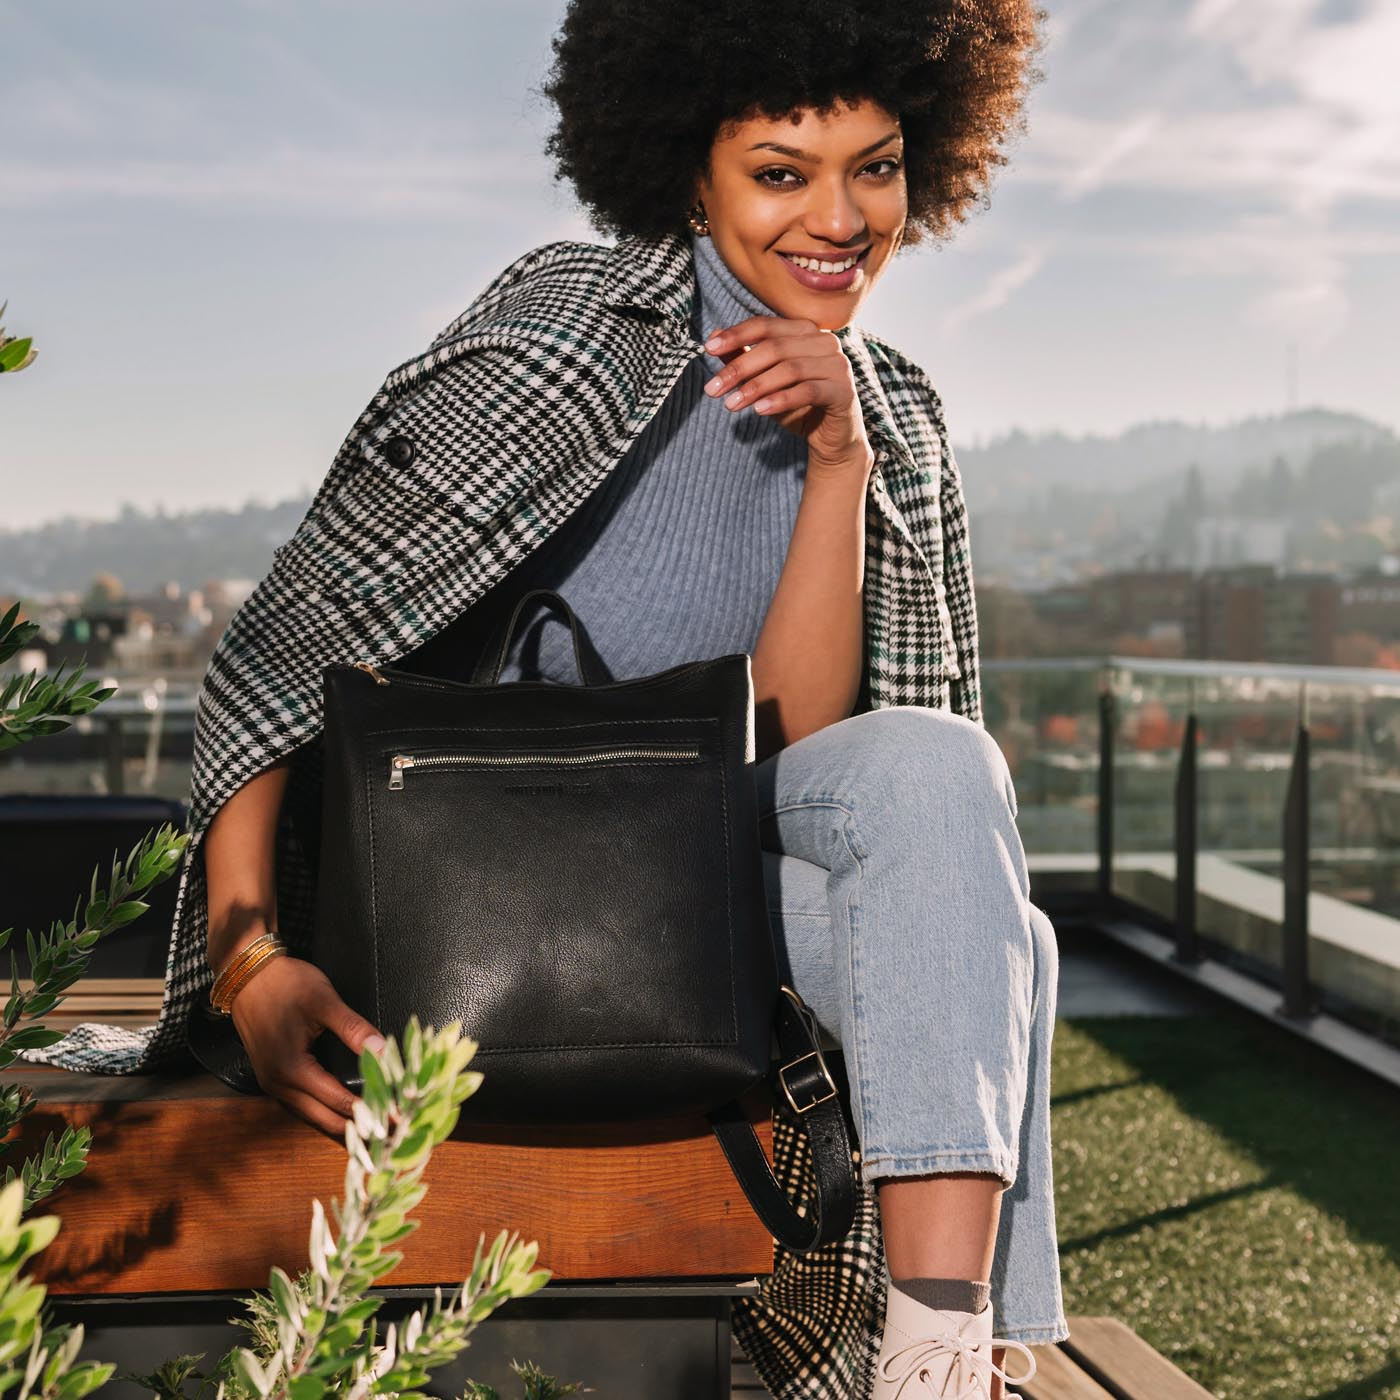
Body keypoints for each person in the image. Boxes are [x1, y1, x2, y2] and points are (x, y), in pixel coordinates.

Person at [20, 3, 1060, 1396]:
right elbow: (284, 646)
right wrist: (256, 964)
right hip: (482, 881)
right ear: (691, 172)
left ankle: (934, 1358)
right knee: (1020, 949)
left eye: (874, 168)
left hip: (704, 894)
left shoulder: (897, 415)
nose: (839, 216)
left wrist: (837, 463)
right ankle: (982, 1345)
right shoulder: (574, 327)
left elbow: (817, 762)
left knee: (947, 794)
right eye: (779, 170)